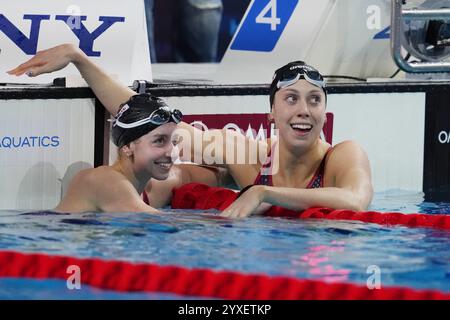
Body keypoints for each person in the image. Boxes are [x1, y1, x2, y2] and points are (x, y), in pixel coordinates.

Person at [8, 44, 373, 218]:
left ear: (326, 112)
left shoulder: (342, 154)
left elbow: (356, 201)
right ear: (271, 114)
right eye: (291, 99)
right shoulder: (246, 155)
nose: (304, 111)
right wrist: (79, 59)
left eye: (314, 100)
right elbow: (149, 119)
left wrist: (262, 192)